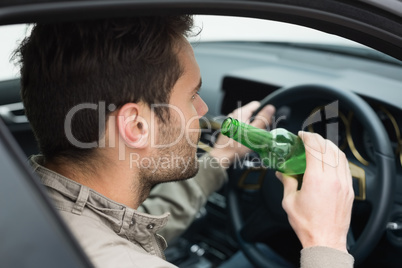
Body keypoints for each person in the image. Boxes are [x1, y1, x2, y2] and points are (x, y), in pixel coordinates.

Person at [14, 15, 354, 267]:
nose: (203, 110)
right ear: (135, 125)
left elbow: (137, 221)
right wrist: (326, 241)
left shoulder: (30, 203)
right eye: (192, 96)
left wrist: (220, 157)